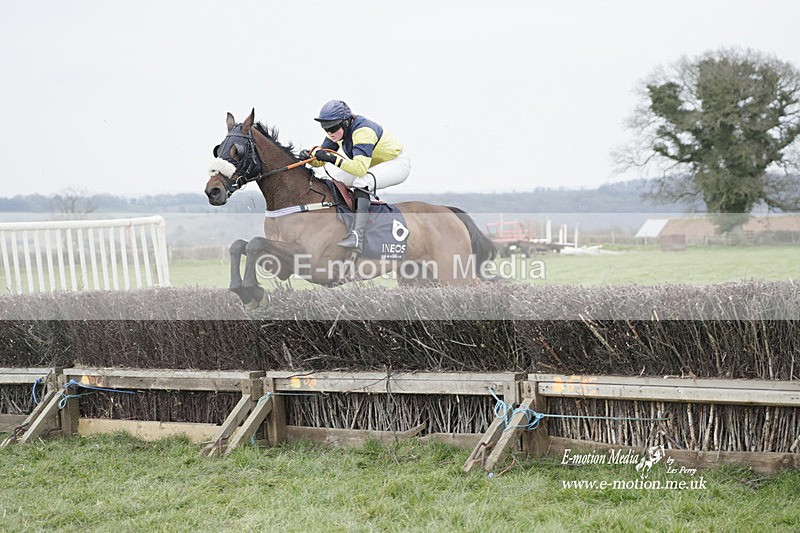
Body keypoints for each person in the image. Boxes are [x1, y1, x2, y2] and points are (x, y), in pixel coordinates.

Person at [299, 100, 411, 253]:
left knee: (361, 182)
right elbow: (322, 159)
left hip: (397, 163)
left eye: (332, 127)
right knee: (332, 180)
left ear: (346, 123)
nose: (329, 132)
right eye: (325, 128)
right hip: (370, 164)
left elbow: (359, 169)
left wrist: (331, 158)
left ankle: (357, 235)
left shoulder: (363, 131)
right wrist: (310, 158)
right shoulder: (336, 133)